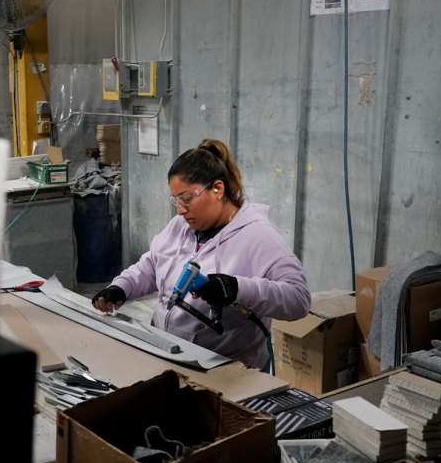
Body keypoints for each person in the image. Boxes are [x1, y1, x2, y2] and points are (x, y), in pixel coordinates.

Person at [92, 138, 310, 371]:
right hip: (169, 356)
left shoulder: (259, 237)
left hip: (227, 372)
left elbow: (298, 299)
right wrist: (122, 287)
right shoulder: (180, 226)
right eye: (176, 199)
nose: (180, 209)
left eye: (186, 198)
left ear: (217, 189)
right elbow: (152, 264)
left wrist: (237, 288)